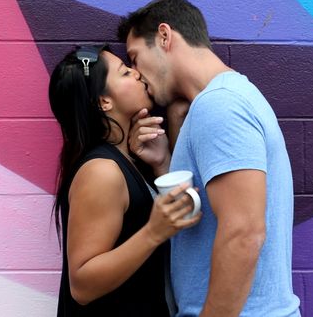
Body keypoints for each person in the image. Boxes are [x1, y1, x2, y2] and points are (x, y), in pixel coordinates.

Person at [119, 0, 301, 316]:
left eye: (135, 58)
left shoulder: (219, 106)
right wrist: (165, 162)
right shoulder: (224, 99)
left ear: (165, 36)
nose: (137, 74)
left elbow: (244, 232)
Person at [48, 45, 201, 317]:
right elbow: (82, 284)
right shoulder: (102, 172)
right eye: (124, 72)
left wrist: (161, 162)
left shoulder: (125, 162)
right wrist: (153, 232)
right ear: (104, 102)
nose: (137, 73)